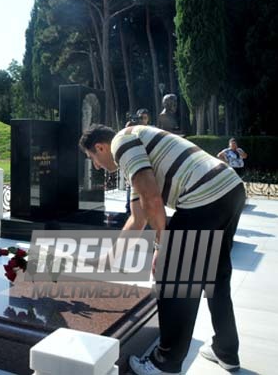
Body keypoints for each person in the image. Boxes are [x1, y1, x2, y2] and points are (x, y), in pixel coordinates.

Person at [79, 124, 245, 375]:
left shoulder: (121, 144)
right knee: (216, 277)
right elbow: (138, 218)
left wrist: (161, 246)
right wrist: (108, 259)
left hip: (203, 196)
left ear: (101, 147)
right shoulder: (134, 155)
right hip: (230, 189)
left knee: (173, 279)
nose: (96, 166)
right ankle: (226, 350)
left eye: (92, 158)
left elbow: (154, 200)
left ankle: (165, 364)